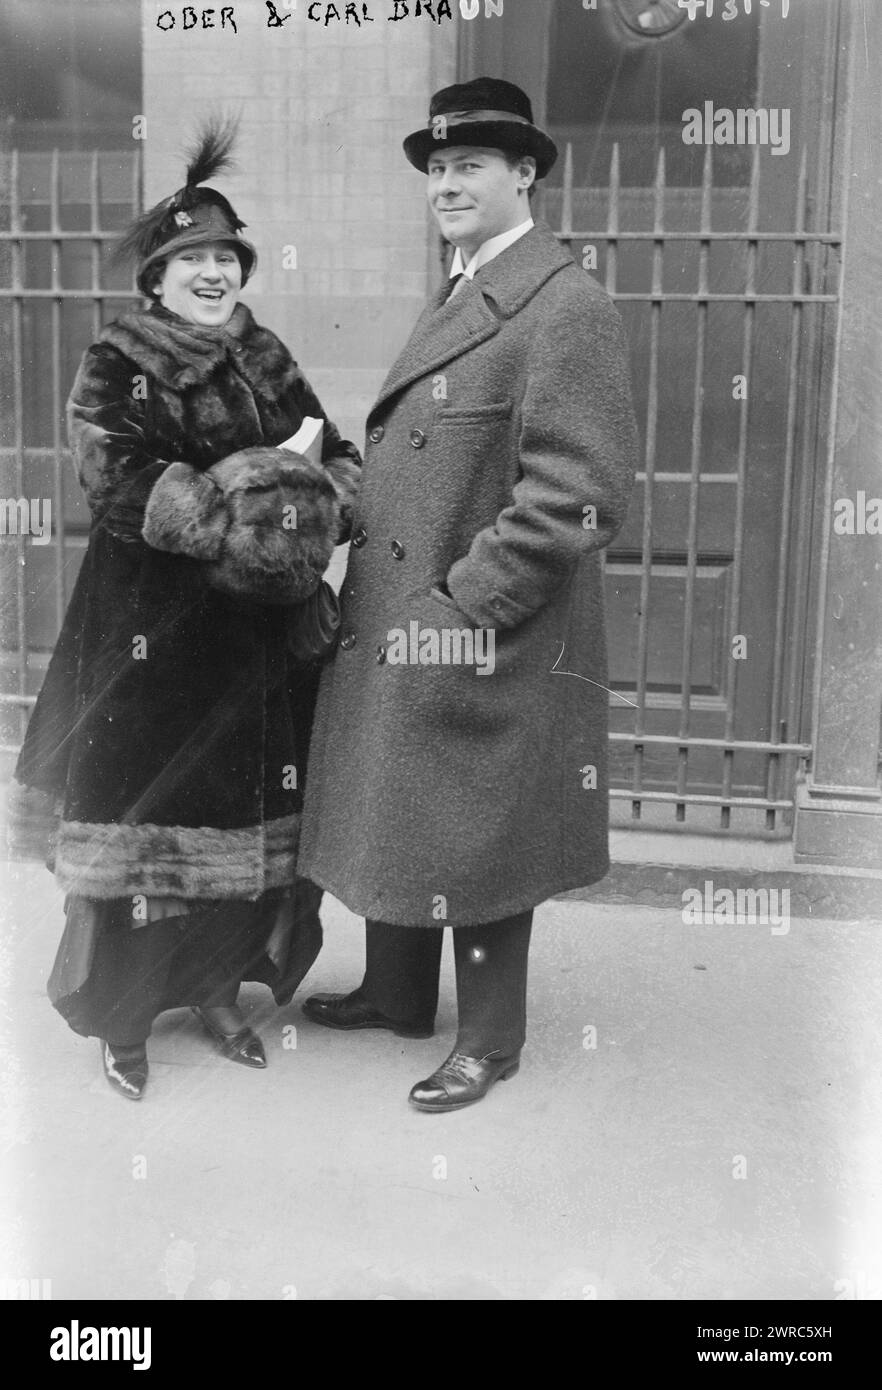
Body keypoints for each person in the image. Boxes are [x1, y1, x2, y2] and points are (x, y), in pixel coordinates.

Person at [297, 77, 639, 1112]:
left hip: (485, 626)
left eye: (469, 166)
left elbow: (579, 495)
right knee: (400, 799)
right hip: (404, 610)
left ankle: (491, 1040)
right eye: (438, 169)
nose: (446, 184)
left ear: (524, 172)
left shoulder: (565, 302)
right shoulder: (463, 286)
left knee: (483, 827)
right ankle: (398, 993)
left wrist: (459, 606)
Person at [7, 121, 360, 1101]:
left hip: (252, 641)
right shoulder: (117, 363)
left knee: (242, 827)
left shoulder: (266, 358)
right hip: (144, 636)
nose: (211, 274)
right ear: (154, 279)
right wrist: (240, 503)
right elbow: (115, 477)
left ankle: (213, 988)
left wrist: (320, 498)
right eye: (190, 260)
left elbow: (338, 459)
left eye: (223, 259)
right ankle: (122, 1024)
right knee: (140, 833)